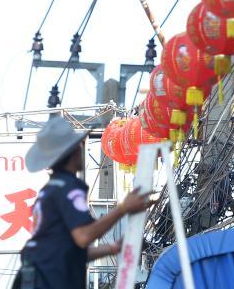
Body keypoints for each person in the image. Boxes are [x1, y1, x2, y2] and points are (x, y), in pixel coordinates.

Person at [12, 117, 151, 289]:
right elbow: (83, 237)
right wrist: (123, 208)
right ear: (73, 152)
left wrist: (114, 247)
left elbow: (66, 253)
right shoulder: (69, 189)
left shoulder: (49, 190)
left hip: (36, 277)